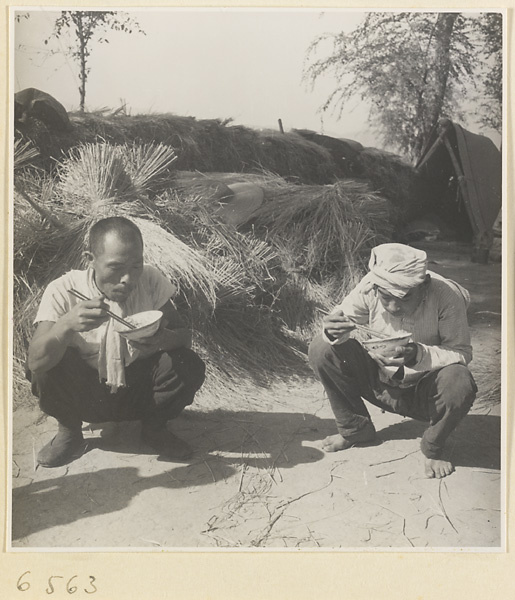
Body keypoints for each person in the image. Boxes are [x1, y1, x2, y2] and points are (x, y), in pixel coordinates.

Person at [27, 216, 206, 468]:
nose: (128, 279)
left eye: (136, 266)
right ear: (90, 260)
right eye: (116, 267)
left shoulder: (151, 280)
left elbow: (183, 337)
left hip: (136, 390)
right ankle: (70, 432)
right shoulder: (63, 289)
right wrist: (65, 326)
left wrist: (161, 341)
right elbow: (34, 362)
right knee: (49, 360)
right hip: (85, 394)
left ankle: (154, 428)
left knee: (187, 364)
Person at [308, 243, 477, 479]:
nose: (393, 307)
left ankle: (433, 447)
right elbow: (339, 319)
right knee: (322, 347)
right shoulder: (370, 285)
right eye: (385, 297)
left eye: (405, 298)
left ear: (424, 285)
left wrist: (418, 354)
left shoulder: (447, 296)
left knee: (459, 380)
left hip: (424, 392)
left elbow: (461, 352)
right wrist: (333, 330)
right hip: (380, 381)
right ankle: (355, 429)